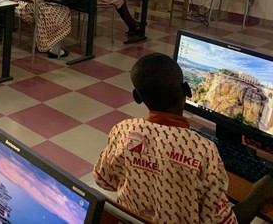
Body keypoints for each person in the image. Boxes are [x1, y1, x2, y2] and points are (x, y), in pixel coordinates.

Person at [94, 53, 273, 224]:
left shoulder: (123, 130)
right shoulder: (202, 149)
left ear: (137, 97)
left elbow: (103, 180)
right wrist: (260, 194)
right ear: (187, 90)